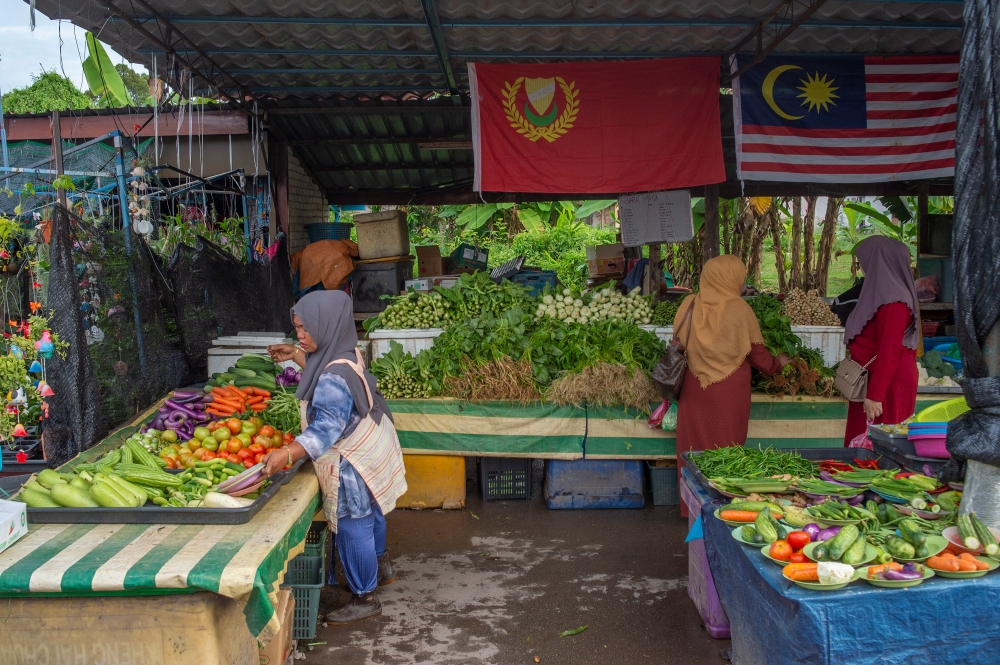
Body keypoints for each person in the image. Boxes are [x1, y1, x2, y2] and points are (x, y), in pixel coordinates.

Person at [264, 291, 407, 625]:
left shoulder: (331, 379)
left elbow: (325, 428)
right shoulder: (345, 350)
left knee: (352, 523)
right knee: (372, 512)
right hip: (372, 444)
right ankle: (381, 566)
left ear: (326, 326)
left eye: (306, 328)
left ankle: (365, 597)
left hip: (352, 460)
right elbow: (325, 366)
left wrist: (286, 452)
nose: (299, 334)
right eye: (297, 328)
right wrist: (297, 355)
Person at [674, 255, 790, 479]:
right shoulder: (739, 309)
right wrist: (778, 366)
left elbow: (679, 342)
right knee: (727, 450)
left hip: (693, 388)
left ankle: (693, 506)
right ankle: (722, 503)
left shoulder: (688, 304)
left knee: (693, 448)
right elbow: (758, 356)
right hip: (729, 392)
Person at [842, 236, 919, 445]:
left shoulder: (893, 302)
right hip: (874, 379)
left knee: (878, 448)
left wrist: (876, 396)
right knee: (863, 443)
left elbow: (889, 351)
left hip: (887, 385)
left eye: (865, 262)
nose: (862, 269)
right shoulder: (883, 295)